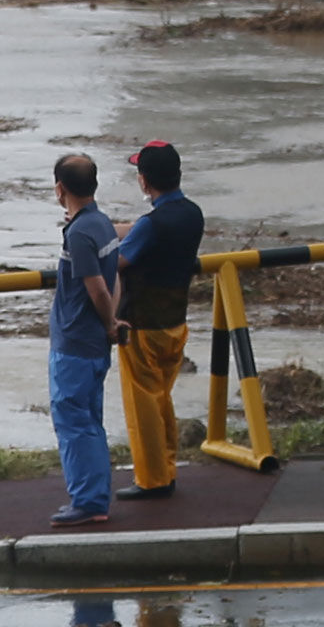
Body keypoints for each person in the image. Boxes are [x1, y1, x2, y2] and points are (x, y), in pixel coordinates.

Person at [114, 140, 204, 500]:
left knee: (143, 407)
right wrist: (115, 228)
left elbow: (118, 261)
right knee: (162, 399)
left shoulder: (151, 225)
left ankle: (153, 479)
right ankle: (167, 467)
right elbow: (142, 231)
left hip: (142, 327)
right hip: (175, 322)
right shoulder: (191, 213)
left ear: (144, 181)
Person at [47, 154, 124, 527]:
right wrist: (112, 323)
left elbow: (96, 288)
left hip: (75, 342)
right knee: (90, 421)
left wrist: (108, 320)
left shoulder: (79, 233)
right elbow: (114, 280)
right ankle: (95, 496)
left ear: (60, 189)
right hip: (93, 342)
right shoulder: (101, 224)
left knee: (74, 422)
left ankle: (89, 501)